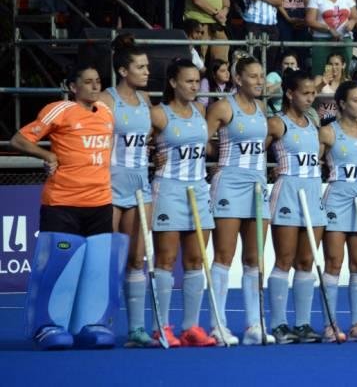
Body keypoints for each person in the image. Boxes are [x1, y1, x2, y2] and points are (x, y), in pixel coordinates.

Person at [12, 62, 123, 350]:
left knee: (96, 266)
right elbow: (20, 140)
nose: (95, 86)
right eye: (88, 82)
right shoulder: (58, 110)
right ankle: (48, 325)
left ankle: (91, 323)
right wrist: (46, 156)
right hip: (63, 202)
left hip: (100, 202)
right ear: (73, 87)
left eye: (98, 81)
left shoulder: (108, 113)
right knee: (59, 266)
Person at [205, 56, 272, 346]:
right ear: (239, 79)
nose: (260, 81)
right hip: (230, 183)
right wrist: (219, 159)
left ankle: (254, 325)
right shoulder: (223, 106)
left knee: (255, 258)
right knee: (224, 255)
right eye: (254, 76)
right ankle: (217, 324)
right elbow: (201, 140)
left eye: (262, 76)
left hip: (257, 184)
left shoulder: (262, 108)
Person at [149, 59, 216, 347]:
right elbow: (137, 146)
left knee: (195, 259)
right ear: (173, 83)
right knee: (165, 259)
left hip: (199, 188)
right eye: (188, 81)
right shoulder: (159, 115)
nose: (193, 86)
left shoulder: (201, 111)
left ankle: (191, 327)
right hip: (169, 189)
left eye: (196, 81)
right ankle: (159, 327)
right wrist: (151, 156)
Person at [94, 37, 153, 348]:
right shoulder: (106, 100)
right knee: (107, 259)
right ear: (122, 70)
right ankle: (100, 323)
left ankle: (137, 329)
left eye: (147, 67)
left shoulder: (145, 102)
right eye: (140, 67)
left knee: (136, 259)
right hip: (109, 185)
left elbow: (157, 134)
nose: (146, 72)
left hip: (140, 186)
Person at [265, 68, 325, 344]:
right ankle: (278, 324)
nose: (311, 98)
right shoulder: (277, 123)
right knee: (285, 260)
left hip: (313, 190)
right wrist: (269, 170)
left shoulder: (313, 122)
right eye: (305, 93)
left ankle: (302, 323)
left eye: (313, 93)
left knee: (306, 260)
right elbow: (255, 151)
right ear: (290, 94)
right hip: (288, 190)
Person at [320, 80, 357, 342]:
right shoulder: (328, 132)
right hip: (338, 197)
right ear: (341, 104)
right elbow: (313, 163)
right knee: (333, 262)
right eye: (355, 100)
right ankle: (330, 325)